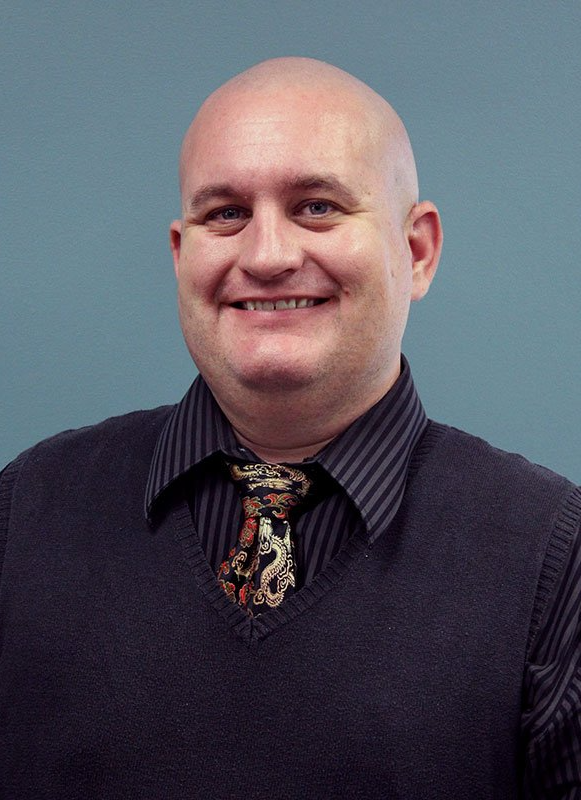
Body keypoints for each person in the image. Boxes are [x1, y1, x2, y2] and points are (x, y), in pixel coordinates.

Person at [1, 57, 579, 799]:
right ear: (181, 256)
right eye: (225, 214)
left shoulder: (550, 555)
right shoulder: (27, 510)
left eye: (315, 207)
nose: (267, 256)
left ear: (417, 250)